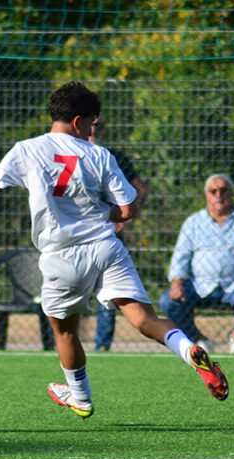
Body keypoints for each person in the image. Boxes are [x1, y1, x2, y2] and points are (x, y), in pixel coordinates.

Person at [0, 82, 229, 417]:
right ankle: (189, 351)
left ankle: (81, 398)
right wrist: (103, 215)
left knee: (65, 331)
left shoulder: (26, 150)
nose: (92, 130)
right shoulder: (100, 155)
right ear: (78, 121)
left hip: (61, 257)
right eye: (92, 123)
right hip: (106, 248)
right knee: (145, 320)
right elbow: (129, 209)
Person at [159, 173, 234, 355]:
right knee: (168, 302)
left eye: (223, 190)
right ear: (207, 195)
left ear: (231, 193)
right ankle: (199, 340)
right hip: (200, 285)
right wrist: (177, 282)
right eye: (213, 191)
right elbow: (180, 256)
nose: (219, 195)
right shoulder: (193, 223)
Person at [88, 115, 148, 352]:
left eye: (98, 126)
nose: (94, 130)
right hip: (76, 234)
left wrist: (126, 217)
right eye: (90, 125)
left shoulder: (114, 157)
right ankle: (63, 342)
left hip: (108, 234)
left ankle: (102, 345)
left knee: (108, 287)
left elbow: (140, 189)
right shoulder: (70, 156)